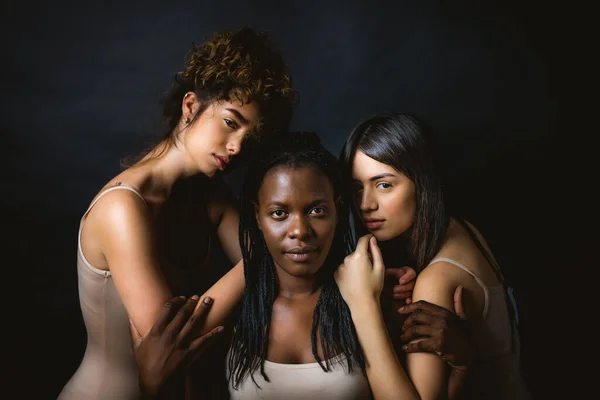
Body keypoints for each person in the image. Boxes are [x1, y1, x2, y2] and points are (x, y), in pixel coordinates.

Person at [58, 27, 295, 400]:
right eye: (231, 123)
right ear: (190, 106)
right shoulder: (122, 207)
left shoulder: (210, 198)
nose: (235, 148)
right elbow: (169, 345)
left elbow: (291, 276)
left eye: (248, 139)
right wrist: (266, 253)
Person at [338, 113, 530, 399]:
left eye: (384, 185)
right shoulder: (461, 228)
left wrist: (362, 304)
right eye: (357, 188)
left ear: (422, 183)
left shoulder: (436, 281)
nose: (366, 204)